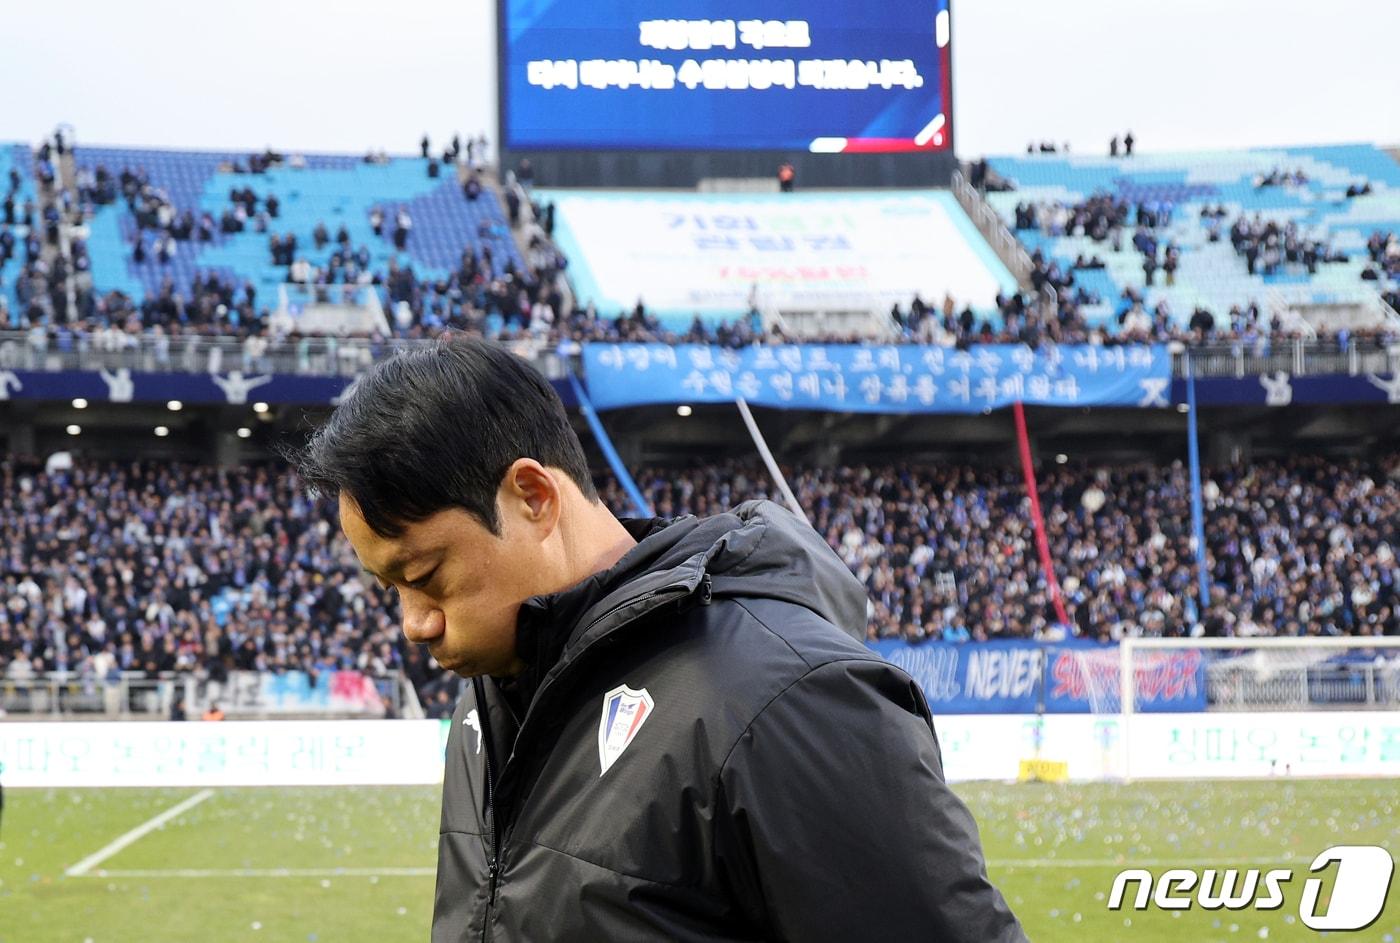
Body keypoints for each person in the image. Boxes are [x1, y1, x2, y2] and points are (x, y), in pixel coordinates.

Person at [292, 336, 1024, 942]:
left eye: (425, 575)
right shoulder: (489, 700)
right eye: (391, 588)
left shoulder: (784, 700)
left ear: (534, 497)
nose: (413, 622)